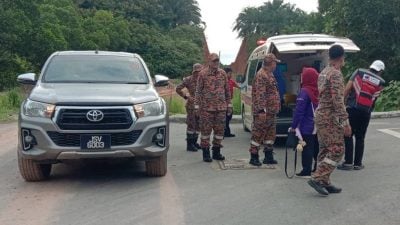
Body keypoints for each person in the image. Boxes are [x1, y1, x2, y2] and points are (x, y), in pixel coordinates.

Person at [307, 45, 352, 196]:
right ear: (341, 57)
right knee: (337, 149)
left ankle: (325, 181)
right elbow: (337, 101)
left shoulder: (324, 72)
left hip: (321, 116)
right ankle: (318, 177)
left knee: (325, 149)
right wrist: (345, 122)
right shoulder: (336, 74)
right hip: (330, 117)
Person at [337, 60, 385, 170]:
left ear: (371, 66)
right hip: (365, 113)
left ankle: (348, 162)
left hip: (353, 109)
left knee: (348, 135)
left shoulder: (359, 72)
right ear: (381, 71)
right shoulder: (381, 82)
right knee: (360, 137)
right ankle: (358, 164)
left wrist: (342, 103)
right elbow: (374, 99)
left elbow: (348, 88)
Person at [194, 53, 232, 162]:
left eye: (217, 61)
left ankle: (216, 152)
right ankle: (206, 153)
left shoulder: (223, 73)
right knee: (205, 132)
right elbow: (198, 91)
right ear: (209, 62)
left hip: (221, 108)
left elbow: (227, 91)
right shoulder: (203, 74)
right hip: (206, 109)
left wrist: (229, 105)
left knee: (220, 132)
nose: (216, 63)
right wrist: (196, 106)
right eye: (214, 61)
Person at [248, 53, 281, 166]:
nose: (276, 64)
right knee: (258, 134)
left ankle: (268, 156)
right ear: (270, 63)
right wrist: (262, 110)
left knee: (270, 135)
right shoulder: (261, 75)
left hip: (271, 112)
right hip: (264, 113)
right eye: (275, 62)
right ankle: (254, 157)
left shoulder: (270, 74)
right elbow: (260, 94)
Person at [289, 67, 319, 178]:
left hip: (306, 125)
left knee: (306, 147)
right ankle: (317, 167)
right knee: (316, 147)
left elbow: (299, 111)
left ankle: (306, 171)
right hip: (316, 125)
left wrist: (294, 125)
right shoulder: (317, 90)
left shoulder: (304, 91)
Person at [176, 63, 203, 152]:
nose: (198, 73)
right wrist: (186, 96)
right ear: (194, 71)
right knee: (192, 125)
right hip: (191, 106)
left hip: (201, 106)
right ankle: (189, 144)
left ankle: (194, 142)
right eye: (197, 71)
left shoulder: (204, 79)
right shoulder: (188, 79)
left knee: (198, 125)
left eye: (200, 71)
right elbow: (178, 88)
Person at [224, 67, 240, 138]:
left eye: (231, 73)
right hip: (223, 102)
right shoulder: (222, 81)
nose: (231, 75)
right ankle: (224, 132)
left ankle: (226, 132)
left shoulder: (231, 81)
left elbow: (239, 86)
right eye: (229, 73)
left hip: (229, 102)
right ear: (225, 73)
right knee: (225, 118)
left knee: (229, 116)